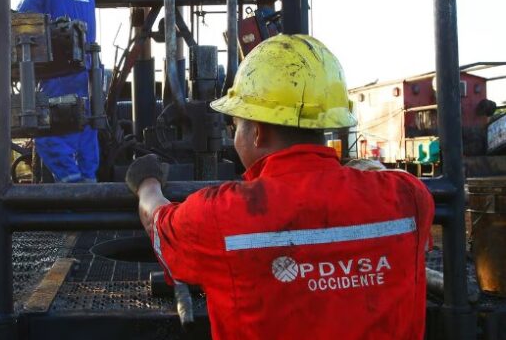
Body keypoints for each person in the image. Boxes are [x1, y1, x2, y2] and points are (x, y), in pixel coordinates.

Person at [125, 35, 435, 339]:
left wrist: (146, 183)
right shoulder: (409, 197)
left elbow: (158, 223)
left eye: (235, 125)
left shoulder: (220, 215)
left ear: (257, 132)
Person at [17, 0, 99, 183]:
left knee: (47, 130)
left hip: (57, 71)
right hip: (87, 70)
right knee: (84, 127)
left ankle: (70, 191)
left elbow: (20, 22)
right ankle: (90, 191)